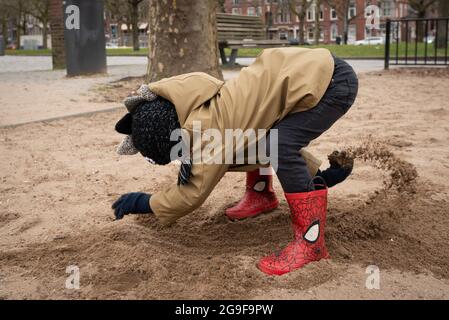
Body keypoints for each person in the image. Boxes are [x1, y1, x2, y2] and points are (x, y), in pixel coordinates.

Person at [112, 47, 358, 275]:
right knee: (254, 133)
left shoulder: (205, 132)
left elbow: (191, 194)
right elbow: (250, 144)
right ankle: (266, 192)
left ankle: (310, 242)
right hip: (315, 71)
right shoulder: (194, 96)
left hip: (329, 85)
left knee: (279, 145)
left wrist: (143, 202)